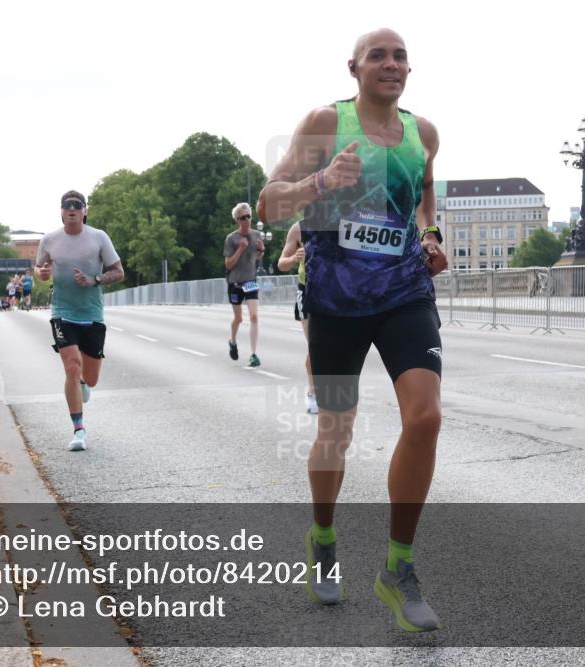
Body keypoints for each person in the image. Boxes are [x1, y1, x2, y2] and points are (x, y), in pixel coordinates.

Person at [257, 28, 448, 632]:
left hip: (404, 292)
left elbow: (423, 197)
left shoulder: (424, 134)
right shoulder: (324, 122)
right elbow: (268, 203)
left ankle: (398, 567)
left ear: (408, 70)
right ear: (355, 68)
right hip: (336, 300)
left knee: (425, 416)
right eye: (378, 57)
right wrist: (320, 183)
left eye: (400, 57)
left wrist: (430, 236)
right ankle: (322, 536)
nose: (391, 65)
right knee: (336, 429)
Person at [36, 190, 124, 452]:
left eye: (77, 205)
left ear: (85, 211)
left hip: (92, 314)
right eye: (67, 206)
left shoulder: (98, 238)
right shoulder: (49, 240)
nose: (72, 209)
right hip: (62, 312)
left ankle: (85, 384)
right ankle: (78, 429)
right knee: (72, 367)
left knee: (91, 378)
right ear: (61, 211)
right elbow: (39, 269)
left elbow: (119, 272)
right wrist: (41, 272)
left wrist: (94, 280)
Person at [276, 220, 318, 415]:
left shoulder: (341, 224)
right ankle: (313, 393)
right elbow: (281, 264)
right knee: (315, 345)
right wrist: (294, 258)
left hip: (335, 292)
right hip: (308, 291)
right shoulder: (298, 228)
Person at [223, 202, 265, 367]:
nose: (247, 220)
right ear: (237, 220)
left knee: (254, 317)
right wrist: (240, 249)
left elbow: (258, 258)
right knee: (238, 319)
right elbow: (228, 265)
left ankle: (254, 354)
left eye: (249, 216)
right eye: (243, 218)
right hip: (235, 282)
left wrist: (261, 251)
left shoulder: (256, 235)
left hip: (250, 281)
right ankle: (232, 341)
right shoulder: (231, 239)